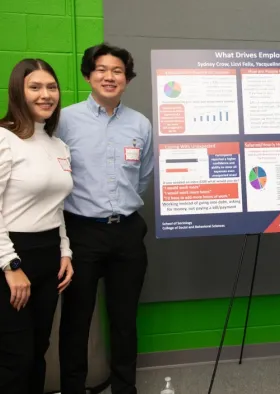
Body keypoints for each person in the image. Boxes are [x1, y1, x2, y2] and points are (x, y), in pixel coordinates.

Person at [57, 43, 153, 393]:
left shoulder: (140, 124)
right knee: (76, 321)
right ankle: (72, 388)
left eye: (117, 71)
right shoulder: (65, 120)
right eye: (101, 69)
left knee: (125, 320)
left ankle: (124, 388)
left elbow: (142, 177)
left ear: (127, 79)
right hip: (80, 233)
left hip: (127, 232)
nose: (109, 76)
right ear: (88, 75)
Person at [0, 59, 74, 394]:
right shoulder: (4, 139)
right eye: (35, 87)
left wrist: (65, 252)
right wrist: (10, 264)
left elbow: (55, 207)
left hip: (48, 257)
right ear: (19, 91)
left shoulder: (58, 145)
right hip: (13, 256)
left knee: (38, 350)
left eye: (51, 87)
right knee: (15, 356)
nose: (46, 95)